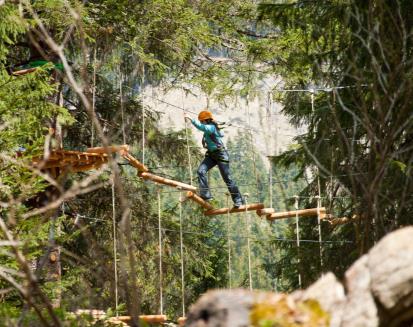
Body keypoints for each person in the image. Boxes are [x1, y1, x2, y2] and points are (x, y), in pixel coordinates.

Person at [184, 110, 245, 208]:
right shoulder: (209, 128)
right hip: (212, 155)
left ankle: (238, 200)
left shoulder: (211, 127)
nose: (200, 123)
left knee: (227, 178)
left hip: (221, 155)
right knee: (201, 171)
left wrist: (191, 118)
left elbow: (202, 127)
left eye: (201, 121)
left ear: (205, 121)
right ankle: (206, 195)